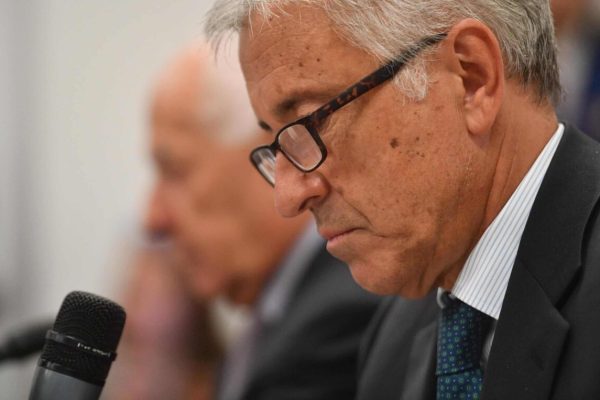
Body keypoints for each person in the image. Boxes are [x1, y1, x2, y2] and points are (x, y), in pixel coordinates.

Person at [205, 1, 600, 399]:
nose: (288, 197)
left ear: (472, 78)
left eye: (313, 121)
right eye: (280, 144)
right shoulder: (394, 340)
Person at [144, 43, 380, 400]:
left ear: (269, 146)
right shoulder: (270, 322)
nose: (153, 219)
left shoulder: (341, 317)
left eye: (175, 170)